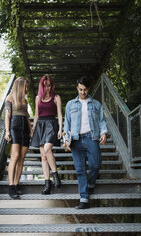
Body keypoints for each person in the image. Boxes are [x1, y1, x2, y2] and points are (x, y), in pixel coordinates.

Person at [64, 76, 108, 209]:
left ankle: (91, 183)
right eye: (80, 89)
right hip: (76, 140)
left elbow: (102, 121)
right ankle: (84, 199)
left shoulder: (96, 104)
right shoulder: (70, 104)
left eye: (85, 90)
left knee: (95, 164)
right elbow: (67, 123)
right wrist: (66, 139)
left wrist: (104, 133)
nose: (83, 92)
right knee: (80, 170)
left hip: (91, 137)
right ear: (77, 88)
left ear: (89, 89)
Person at [31, 74, 62, 194]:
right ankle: (47, 184)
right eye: (45, 86)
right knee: (43, 156)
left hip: (51, 124)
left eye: (49, 86)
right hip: (40, 126)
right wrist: (33, 130)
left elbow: (59, 114)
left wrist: (60, 129)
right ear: (41, 85)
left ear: (51, 85)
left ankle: (55, 176)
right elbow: (36, 115)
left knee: (47, 149)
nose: (47, 88)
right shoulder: (38, 98)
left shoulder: (56, 97)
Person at [5, 77, 32, 199]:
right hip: (14, 127)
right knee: (15, 156)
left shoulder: (24, 101)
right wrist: (7, 131)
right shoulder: (9, 98)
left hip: (25, 129)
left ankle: (16, 185)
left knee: (21, 158)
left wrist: (31, 131)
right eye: (25, 86)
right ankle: (10, 186)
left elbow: (26, 117)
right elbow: (7, 116)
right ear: (19, 86)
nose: (26, 89)